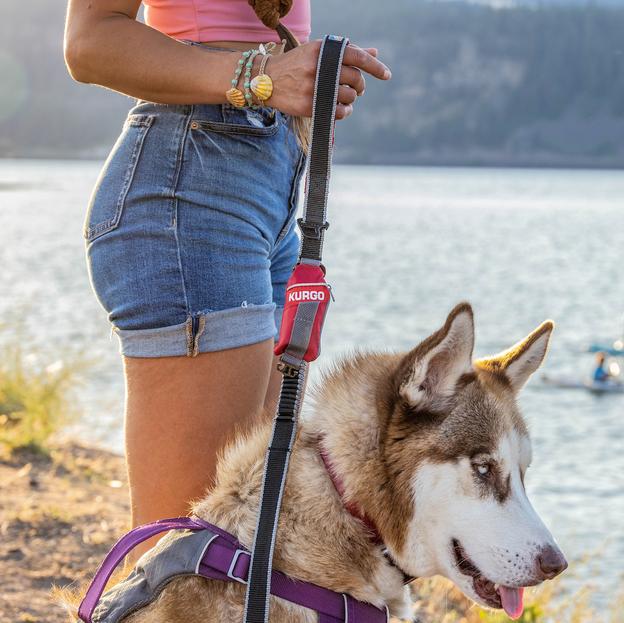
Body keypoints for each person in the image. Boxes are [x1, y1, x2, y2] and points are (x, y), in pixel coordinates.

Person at [63, 0, 391, 558]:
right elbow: (89, 44)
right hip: (190, 187)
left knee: (245, 540)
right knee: (181, 556)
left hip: (270, 189)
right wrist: (262, 76)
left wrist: (304, 78)